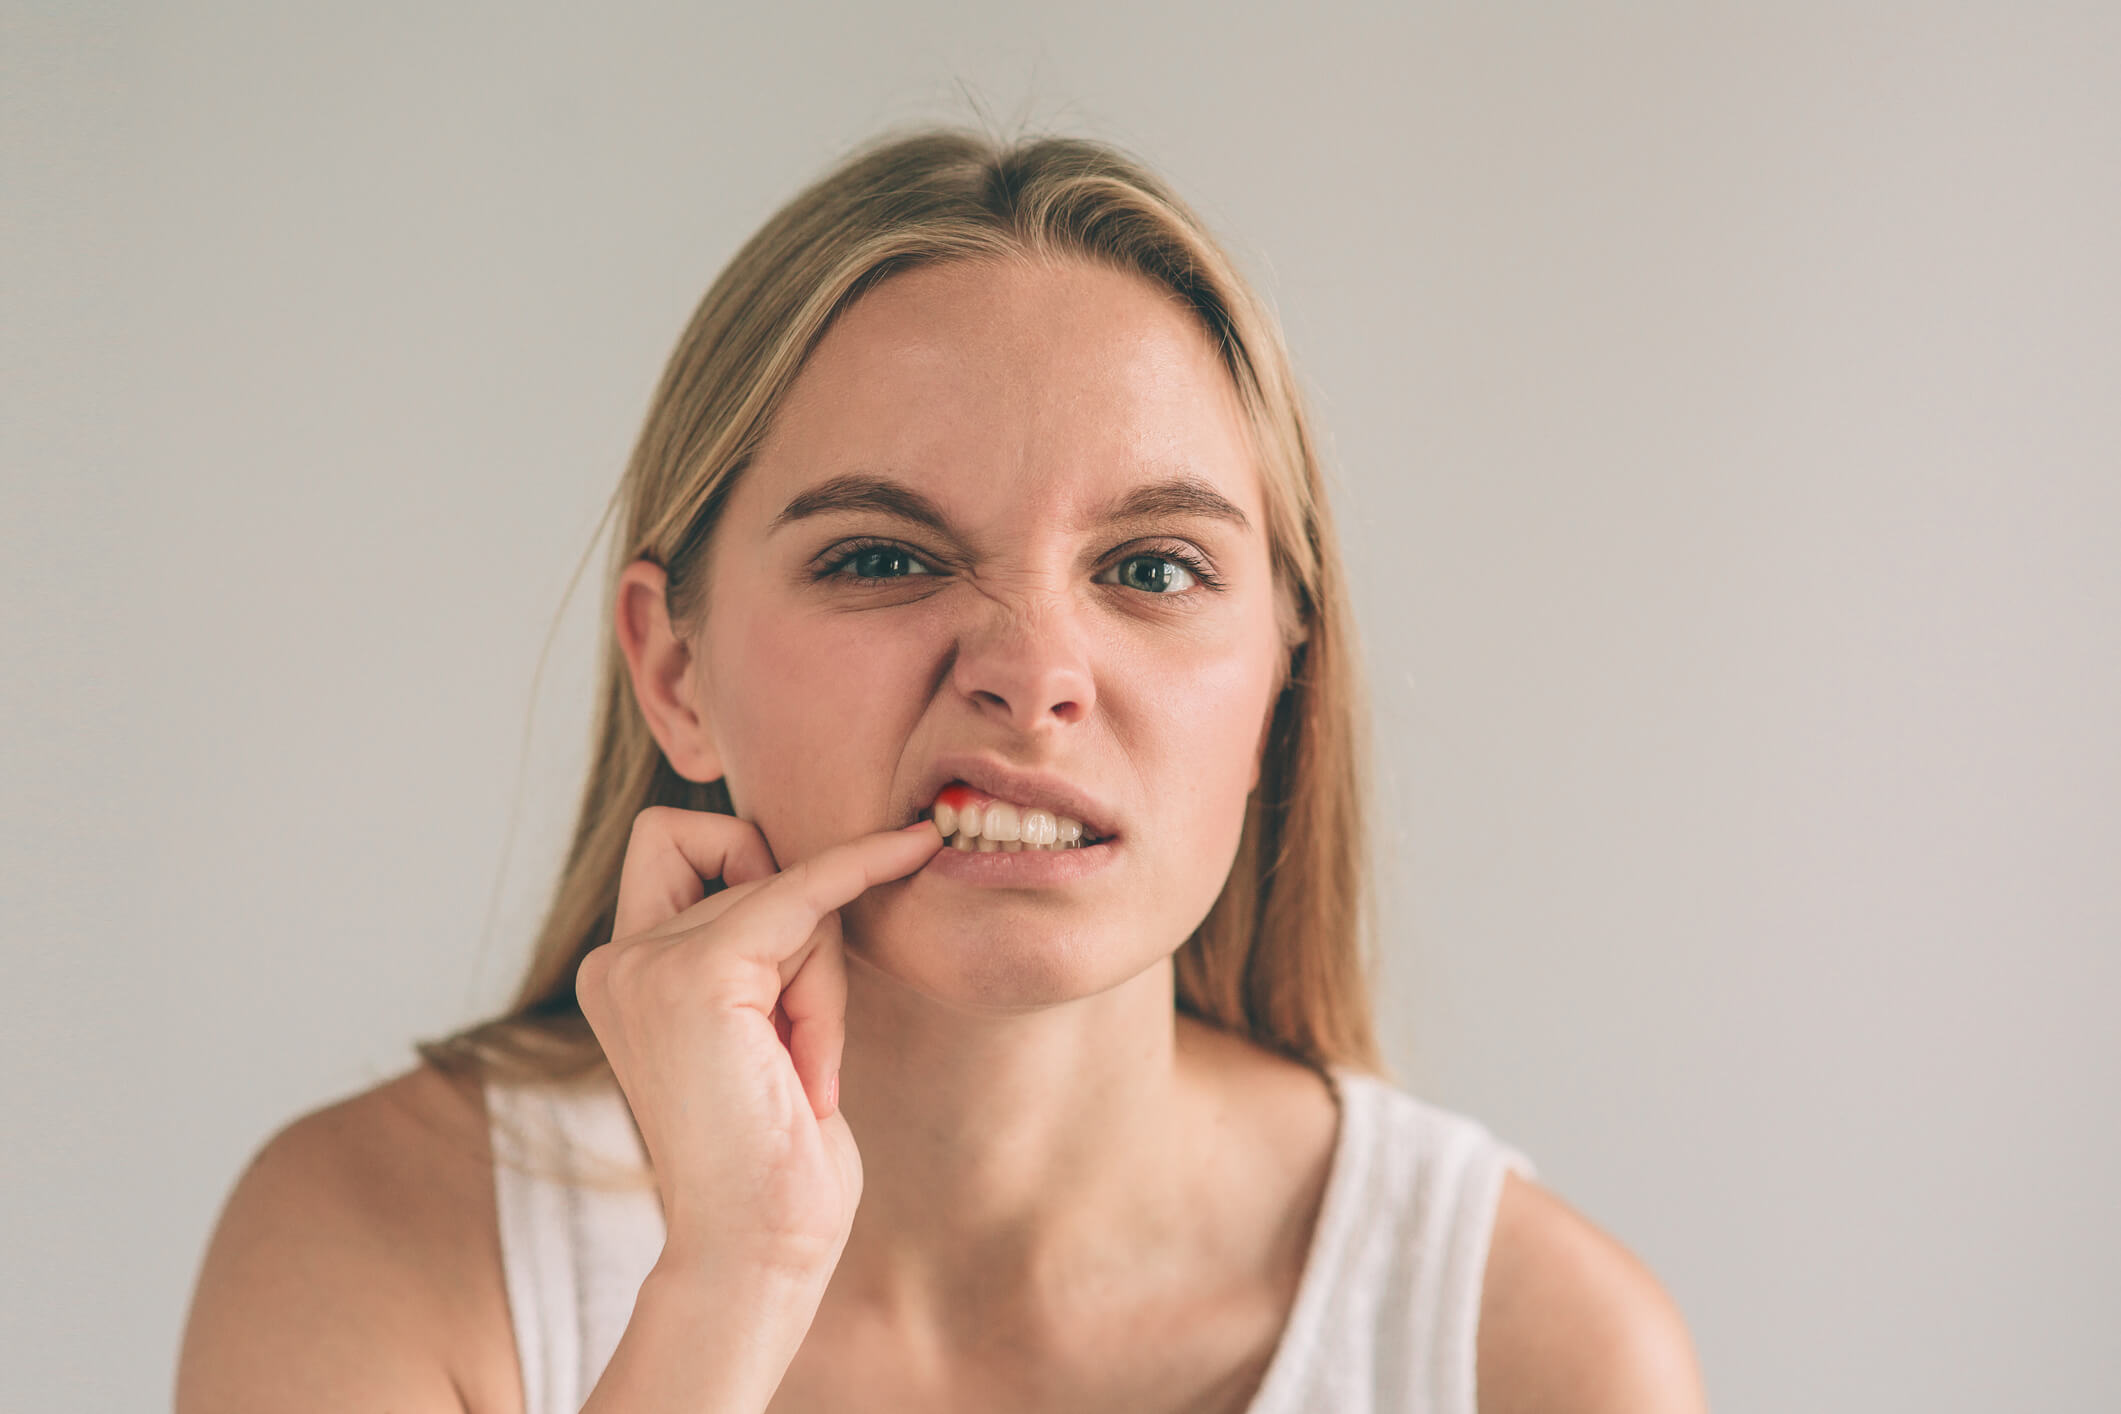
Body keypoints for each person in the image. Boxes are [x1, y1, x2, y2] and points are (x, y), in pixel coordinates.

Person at [176, 128, 1707, 1413]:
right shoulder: (373, 1247)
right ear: (673, 670)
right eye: (887, 555)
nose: (1031, 670)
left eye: (1155, 567)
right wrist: (731, 1280)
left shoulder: (1536, 1349)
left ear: (1281, 682)